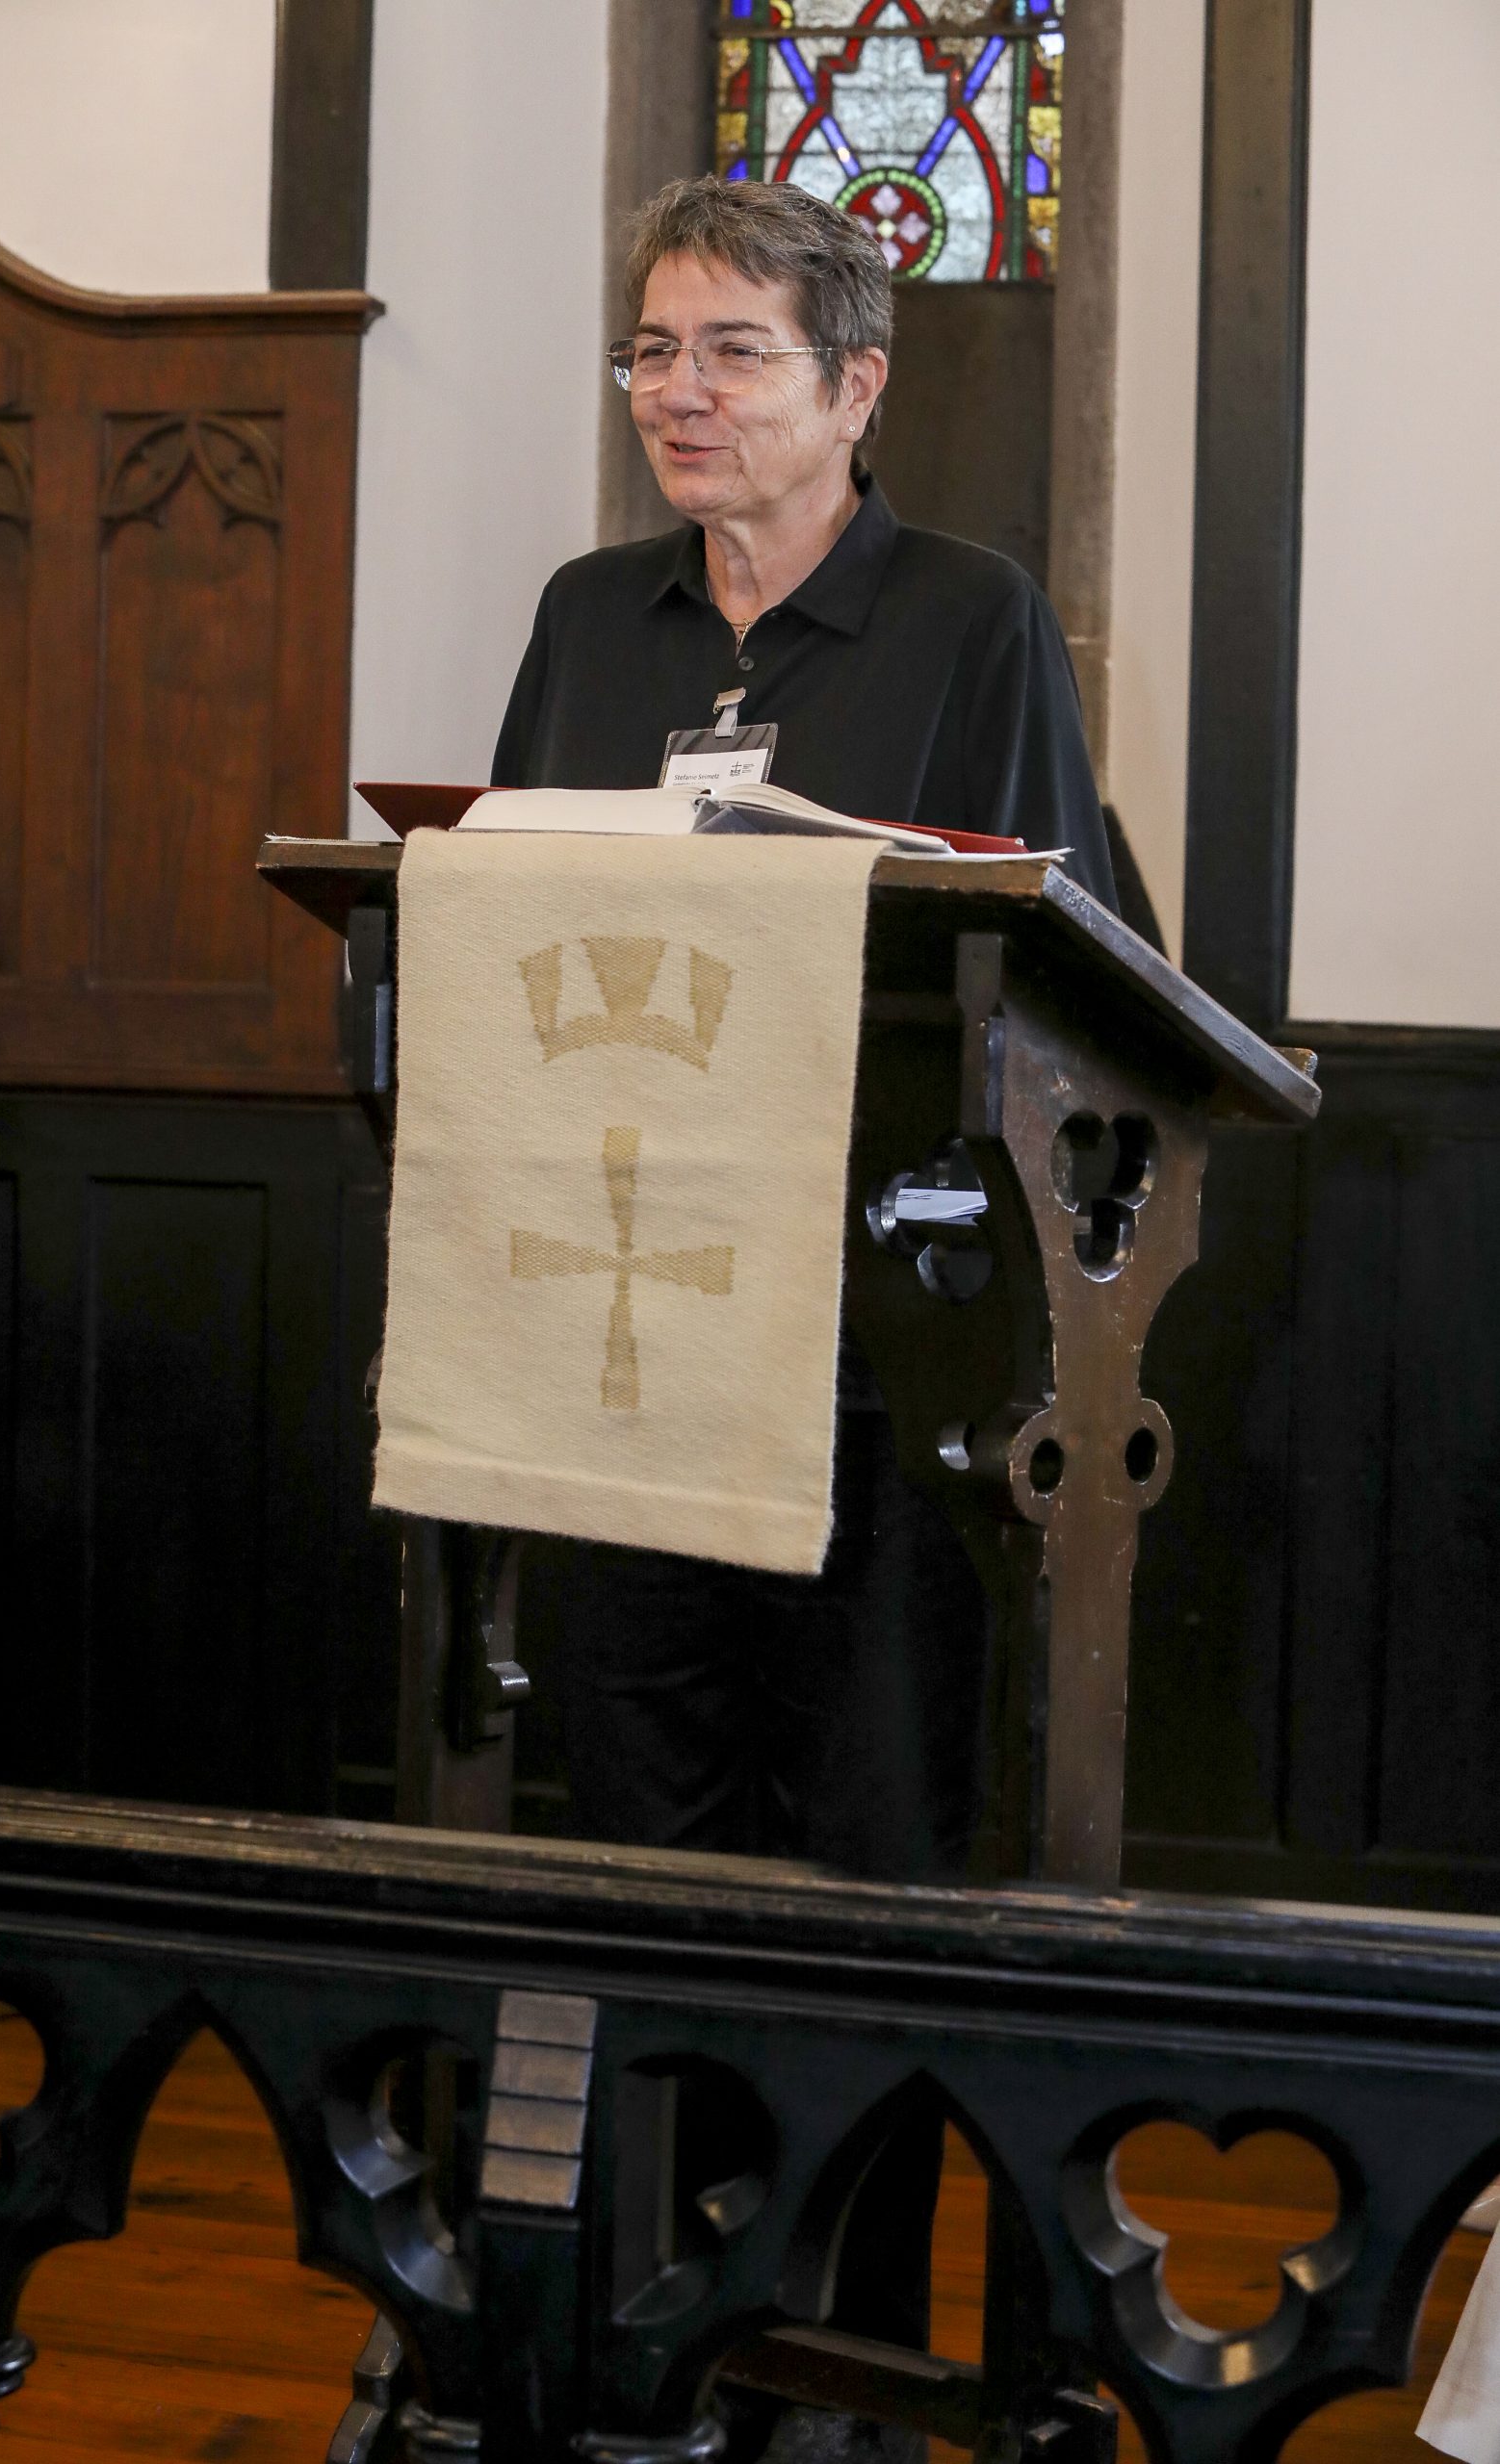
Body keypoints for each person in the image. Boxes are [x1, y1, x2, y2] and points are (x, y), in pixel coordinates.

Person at [493, 176, 1115, 2462]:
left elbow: (1064, 962)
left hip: (887, 1338)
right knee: (635, 1846)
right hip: (619, 1318)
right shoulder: (591, 616)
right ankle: (643, 2340)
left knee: (864, 1866)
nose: (677, 392)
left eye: (730, 349)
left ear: (855, 385)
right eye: (650, 348)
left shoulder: (965, 617)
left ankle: (841, 2369)